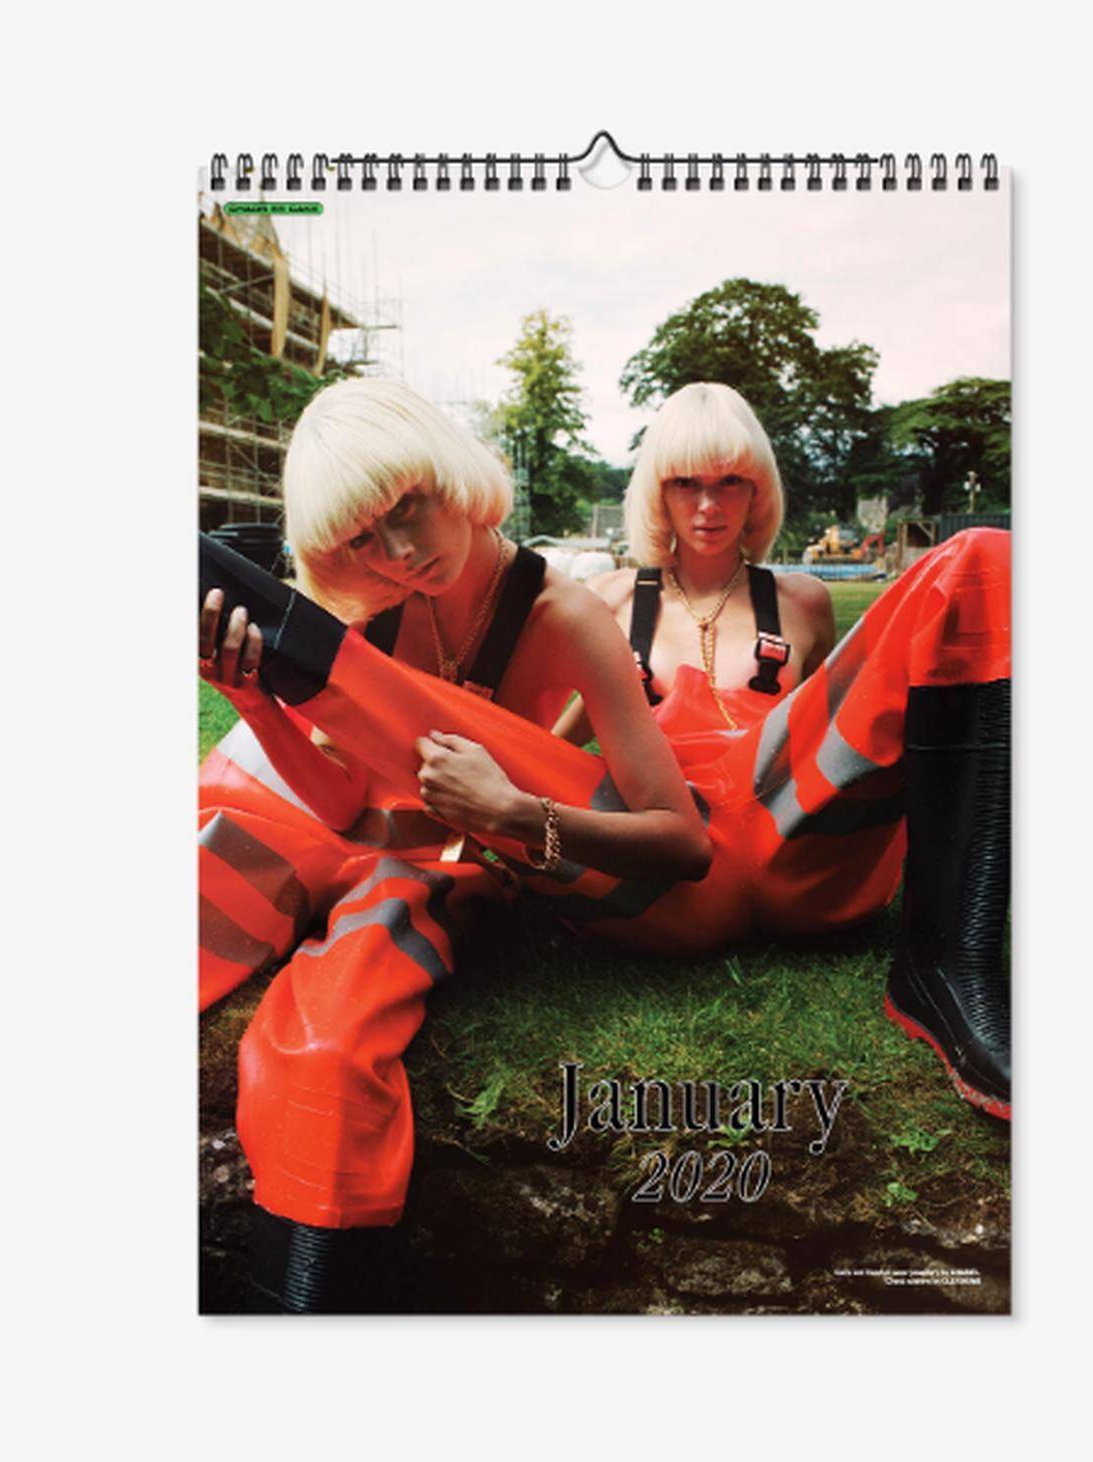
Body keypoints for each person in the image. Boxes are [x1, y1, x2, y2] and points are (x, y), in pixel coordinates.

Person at [199, 379, 711, 1310]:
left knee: (334, 1023)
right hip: (371, 847)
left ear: (449, 471)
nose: (399, 552)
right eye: (363, 537)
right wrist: (253, 700)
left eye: (409, 506)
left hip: (475, 872)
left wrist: (514, 813)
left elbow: (684, 846)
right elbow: (344, 805)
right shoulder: (373, 611)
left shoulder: (566, 617)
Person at [557, 383, 1011, 1126]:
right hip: (671, 861)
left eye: (731, 481)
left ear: (759, 490)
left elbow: (839, 738)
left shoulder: (802, 602)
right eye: (686, 483)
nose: (709, 505)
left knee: (986, 554)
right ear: (656, 493)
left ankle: (951, 963)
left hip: (790, 852)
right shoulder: (604, 601)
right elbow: (555, 744)